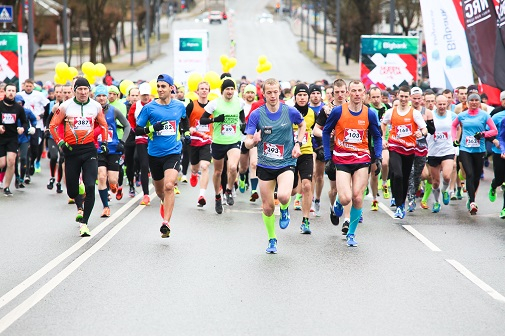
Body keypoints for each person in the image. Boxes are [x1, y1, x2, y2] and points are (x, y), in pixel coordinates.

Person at [244, 78, 306, 254]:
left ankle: (285, 209)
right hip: (265, 164)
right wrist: (253, 141)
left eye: (275, 92)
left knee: (285, 196)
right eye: (269, 92)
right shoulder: (257, 114)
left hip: (286, 161)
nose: (272, 95)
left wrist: (298, 144)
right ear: (263, 93)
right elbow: (247, 142)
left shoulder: (290, 111)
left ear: (280, 92)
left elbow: (302, 125)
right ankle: (272, 239)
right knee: (268, 207)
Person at [323, 80, 382, 246]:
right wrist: (328, 157)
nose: (357, 94)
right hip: (341, 158)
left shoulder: (369, 113)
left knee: (357, 197)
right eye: (354, 91)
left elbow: (377, 136)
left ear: (364, 94)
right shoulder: (338, 112)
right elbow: (326, 132)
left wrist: (377, 157)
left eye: (360, 91)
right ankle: (338, 203)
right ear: (348, 92)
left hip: (362, 158)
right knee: (345, 197)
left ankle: (351, 234)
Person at [49, 78, 109, 236]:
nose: (83, 92)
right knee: (72, 192)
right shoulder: (65, 106)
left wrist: (104, 143)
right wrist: (60, 142)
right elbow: (53, 125)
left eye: (86, 89)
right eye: (80, 89)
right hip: (71, 151)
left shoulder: (95, 106)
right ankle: (78, 188)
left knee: (91, 187)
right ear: (75, 90)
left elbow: (103, 125)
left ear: (90, 90)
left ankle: (85, 223)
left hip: (89, 150)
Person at [135, 74, 190, 238]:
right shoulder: (149, 108)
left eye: (163, 86)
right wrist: (151, 129)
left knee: (169, 185)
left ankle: (166, 223)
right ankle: (162, 201)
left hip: (173, 152)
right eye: (158, 86)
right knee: (160, 191)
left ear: (171, 88)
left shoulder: (179, 106)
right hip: (154, 154)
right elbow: (137, 130)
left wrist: (186, 133)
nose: (160, 89)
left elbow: (184, 120)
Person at [200, 78, 246, 214]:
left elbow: (241, 116)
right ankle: (217, 196)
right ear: (223, 91)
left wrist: (243, 124)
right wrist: (215, 120)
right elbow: (202, 120)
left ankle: (228, 190)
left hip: (234, 140)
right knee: (218, 172)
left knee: (232, 167)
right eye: (227, 89)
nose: (230, 91)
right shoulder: (214, 104)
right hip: (218, 142)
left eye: (232, 89)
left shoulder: (240, 102)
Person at [381, 85, 427, 219]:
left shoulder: (414, 113)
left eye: (406, 97)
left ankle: (399, 199)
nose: (403, 99)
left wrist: (420, 133)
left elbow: (424, 129)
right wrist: (384, 138)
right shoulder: (391, 112)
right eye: (401, 96)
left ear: (410, 98)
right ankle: (400, 205)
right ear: (397, 96)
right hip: (395, 146)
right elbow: (383, 124)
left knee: (405, 177)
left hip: (409, 149)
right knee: (398, 174)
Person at [451, 93, 497, 214]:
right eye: (472, 100)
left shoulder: (484, 115)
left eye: (477, 100)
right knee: (469, 174)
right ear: (467, 102)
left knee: (476, 177)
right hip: (465, 149)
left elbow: (494, 130)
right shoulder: (462, 115)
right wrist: (454, 139)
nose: (474, 102)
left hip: (479, 150)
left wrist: (483, 134)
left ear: (479, 102)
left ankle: (472, 198)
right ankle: (472, 202)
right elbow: (453, 125)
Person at [94, 85, 131, 217]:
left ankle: (114, 185)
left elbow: (127, 125)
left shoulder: (114, 111)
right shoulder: (90, 111)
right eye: (99, 96)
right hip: (98, 148)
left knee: (113, 179)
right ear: (95, 97)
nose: (102, 98)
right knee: (102, 176)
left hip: (113, 148)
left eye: (104, 95)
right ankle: (106, 207)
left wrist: (122, 142)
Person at [291, 84, 316, 234]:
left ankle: (305, 220)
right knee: (292, 190)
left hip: (306, 152)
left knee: (307, 185)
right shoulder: (289, 112)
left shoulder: (313, 114)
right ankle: (283, 207)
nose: (302, 98)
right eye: (299, 95)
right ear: (295, 97)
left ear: (308, 97)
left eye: (304, 95)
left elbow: (320, 128)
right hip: (289, 153)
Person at [426, 95, 457, 212]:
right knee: (435, 182)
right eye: (440, 104)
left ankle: (445, 191)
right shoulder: (430, 115)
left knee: (447, 176)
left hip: (447, 150)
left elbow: (458, 127)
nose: (442, 106)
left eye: (444, 104)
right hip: (433, 151)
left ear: (447, 104)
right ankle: (436, 202)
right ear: (435, 104)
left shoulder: (452, 115)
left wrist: (456, 139)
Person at [186, 81, 212, 206]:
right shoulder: (191, 105)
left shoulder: (212, 106)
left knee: (205, 166)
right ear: (197, 91)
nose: (204, 91)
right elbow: (184, 119)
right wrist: (187, 129)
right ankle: (194, 173)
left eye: (206, 88)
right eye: (201, 88)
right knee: (195, 167)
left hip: (207, 141)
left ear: (209, 91)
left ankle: (202, 195)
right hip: (194, 141)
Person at [0, 84, 29, 196]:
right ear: (5, 92)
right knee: (2, 163)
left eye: (13, 90)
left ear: (16, 93)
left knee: (11, 161)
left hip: (12, 138)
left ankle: (6, 187)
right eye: (9, 90)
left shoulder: (18, 108)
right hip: (1, 138)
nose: (11, 92)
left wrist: (22, 128)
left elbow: (25, 122)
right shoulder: (0, 106)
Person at [128, 82, 152, 204]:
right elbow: (131, 120)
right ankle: (146, 194)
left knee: (155, 165)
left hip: (154, 138)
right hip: (140, 137)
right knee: (143, 165)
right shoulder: (135, 106)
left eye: (147, 95)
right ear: (139, 95)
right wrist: (135, 130)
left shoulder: (155, 104)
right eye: (143, 95)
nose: (145, 97)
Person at [19, 79, 49, 175]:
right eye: (26, 86)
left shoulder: (39, 95)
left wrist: (41, 117)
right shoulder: (20, 95)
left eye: (30, 86)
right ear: (24, 86)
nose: (28, 88)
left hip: (37, 124)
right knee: (27, 147)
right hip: (24, 125)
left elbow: (47, 106)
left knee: (36, 147)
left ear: (33, 86)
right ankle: (27, 169)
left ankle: (34, 162)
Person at [238, 84, 260, 202]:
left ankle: (254, 190)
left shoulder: (258, 107)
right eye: (248, 92)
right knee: (243, 167)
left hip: (253, 139)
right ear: (244, 94)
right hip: (242, 139)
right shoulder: (240, 106)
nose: (250, 94)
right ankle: (242, 178)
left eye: (252, 92)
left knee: (254, 164)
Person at [14, 95, 36, 189]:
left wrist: (32, 127)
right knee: (13, 160)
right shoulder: (10, 112)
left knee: (23, 158)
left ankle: (22, 178)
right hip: (13, 138)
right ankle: (17, 176)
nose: (19, 105)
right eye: (17, 103)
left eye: (20, 103)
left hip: (24, 138)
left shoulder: (26, 111)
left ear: (22, 103)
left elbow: (34, 119)